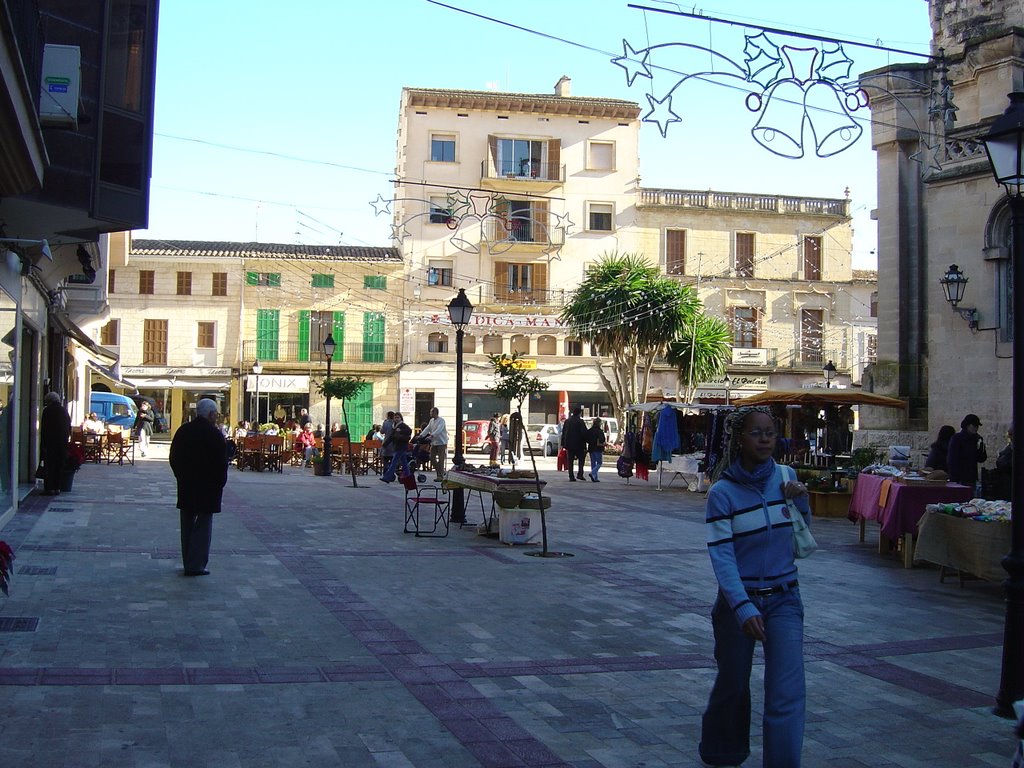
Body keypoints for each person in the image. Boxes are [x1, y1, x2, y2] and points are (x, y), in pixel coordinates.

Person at [699, 406, 810, 767]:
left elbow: (799, 535)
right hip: (738, 603)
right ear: (738, 438)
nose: (764, 439)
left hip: (784, 600)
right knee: (733, 683)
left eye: (770, 433)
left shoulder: (786, 475)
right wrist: (742, 605)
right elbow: (722, 556)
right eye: (755, 433)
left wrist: (802, 500)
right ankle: (722, 754)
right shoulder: (723, 493)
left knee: (787, 692)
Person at [169, 398, 228, 576]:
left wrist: (180, 476)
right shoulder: (215, 435)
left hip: (187, 485)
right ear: (210, 414)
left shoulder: (183, 431)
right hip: (208, 488)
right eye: (215, 414)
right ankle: (196, 565)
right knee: (203, 526)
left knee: (186, 525)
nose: (216, 417)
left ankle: (188, 561)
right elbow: (221, 464)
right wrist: (219, 483)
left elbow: (173, 458)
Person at [40, 392, 71, 496]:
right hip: (62, 443)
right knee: (59, 465)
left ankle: (49, 488)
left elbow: (44, 429)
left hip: (50, 443)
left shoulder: (47, 411)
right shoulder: (64, 411)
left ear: (49, 401)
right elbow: (68, 427)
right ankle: (57, 487)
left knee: (50, 466)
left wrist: (43, 445)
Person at [947, 414, 987, 487]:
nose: (976, 428)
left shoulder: (977, 439)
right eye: (974, 426)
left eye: (977, 426)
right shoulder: (957, 438)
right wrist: (955, 478)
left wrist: (981, 447)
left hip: (971, 477)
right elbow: (952, 459)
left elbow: (981, 458)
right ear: (967, 425)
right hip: (959, 478)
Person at [380, 412, 412, 483]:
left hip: (401, 446)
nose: (396, 419)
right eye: (395, 417)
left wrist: (401, 430)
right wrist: (385, 444)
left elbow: (409, 430)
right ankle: (408, 476)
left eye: (398, 417)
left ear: (401, 418)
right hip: (397, 446)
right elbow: (391, 437)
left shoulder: (402, 425)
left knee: (394, 462)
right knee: (404, 463)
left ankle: (387, 477)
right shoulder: (394, 426)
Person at [418, 407, 449, 481]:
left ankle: (440, 476)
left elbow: (439, 429)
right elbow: (427, 429)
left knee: (441, 459)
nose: (430, 413)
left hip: (441, 442)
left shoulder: (441, 420)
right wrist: (421, 435)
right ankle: (440, 471)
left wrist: (432, 435)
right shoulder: (431, 421)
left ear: (435, 412)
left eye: (431, 412)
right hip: (434, 442)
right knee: (432, 458)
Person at [560, 405, 588, 481]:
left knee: (570, 461)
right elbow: (584, 433)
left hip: (569, 444)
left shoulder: (567, 421)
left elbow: (564, 433)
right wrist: (588, 441)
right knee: (581, 460)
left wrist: (563, 444)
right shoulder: (580, 421)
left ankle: (571, 476)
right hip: (579, 444)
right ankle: (580, 474)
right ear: (579, 413)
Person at [586, 417, 606, 482]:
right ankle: (593, 473)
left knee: (593, 463)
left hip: (591, 448)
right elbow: (601, 440)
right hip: (598, 448)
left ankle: (595, 477)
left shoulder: (590, 430)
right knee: (599, 463)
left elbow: (587, 439)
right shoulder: (599, 431)